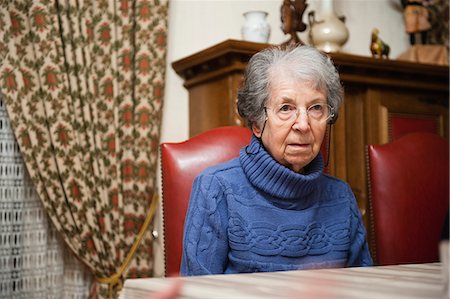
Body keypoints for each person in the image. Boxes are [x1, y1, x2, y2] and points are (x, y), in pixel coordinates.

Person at [180, 45, 373, 276]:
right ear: (257, 123)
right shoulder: (216, 190)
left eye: (316, 108)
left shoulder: (341, 197)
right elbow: (196, 292)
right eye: (285, 108)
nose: (303, 124)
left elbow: (364, 288)